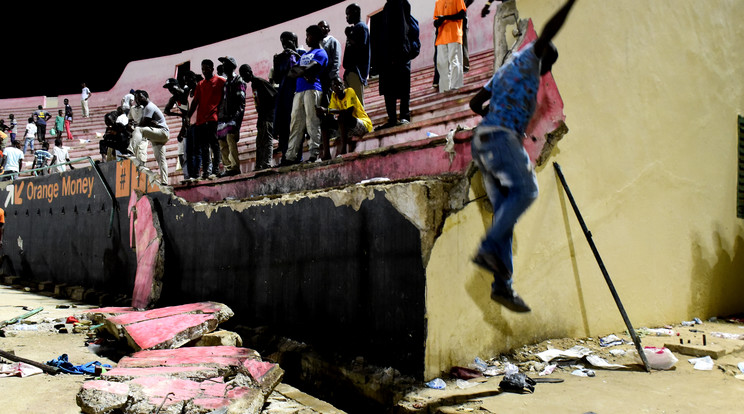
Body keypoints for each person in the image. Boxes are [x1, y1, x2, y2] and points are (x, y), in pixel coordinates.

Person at [468, 0, 577, 313]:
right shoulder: (530, 59)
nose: (546, 73)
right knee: (528, 190)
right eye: (548, 67)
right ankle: (487, 249)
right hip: (501, 140)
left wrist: (499, 111)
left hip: (484, 142)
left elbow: (476, 103)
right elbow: (548, 33)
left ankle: (503, 286)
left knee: (506, 213)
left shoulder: (503, 73)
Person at [282, 25, 329, 165]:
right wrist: (304, 72)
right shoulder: (303, 54)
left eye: (308, 35)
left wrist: (302, 71)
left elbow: (311, 68)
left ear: (315, 36)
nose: (306, 38)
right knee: (295, 123)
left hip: (313, 89)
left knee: (312, 122)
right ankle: (290, 156)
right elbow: (291, 73)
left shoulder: (321, 53)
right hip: (299, 91)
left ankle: (314, 154)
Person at [373, 0, 418, 130]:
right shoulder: (389, 5)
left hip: (399, 55)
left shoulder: (400, 3)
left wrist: (396, 54)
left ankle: (403, 116)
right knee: (389, 89)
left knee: (402, 87)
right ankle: (393, 118)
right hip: (389, 56)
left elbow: (402, 29)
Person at [316, 77, 372, 158]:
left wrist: (326, 110)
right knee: (325, 122)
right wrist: (321, 113)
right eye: (335, 85)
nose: (338, 86)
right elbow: (330, 113)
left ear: (343, 85)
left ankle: (343, 151)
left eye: (340, 84)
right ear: (332, 88)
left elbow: (348, 112)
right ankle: (326, 154)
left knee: (342, 117)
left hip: (362, 125)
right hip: (347, 127)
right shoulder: (334, 96)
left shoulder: (349, 91)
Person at [188, 59, 225, 179]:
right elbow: (195, 102)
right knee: (204, 147)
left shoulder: (220, 81)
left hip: (213, 118)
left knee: (214, 144)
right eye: (202, 68)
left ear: (212, 68)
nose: (204, 70)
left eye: (206, 68)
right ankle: (206, 171)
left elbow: (226, 95)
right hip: (200, 120)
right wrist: (188, 116)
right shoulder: (200, 84)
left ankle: (216, 169)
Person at [272, 31, 304, 164]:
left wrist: (294, 55)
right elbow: (277, 79)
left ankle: (297, 156)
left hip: (297, 92)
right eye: (282, 42)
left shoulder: (302, 54)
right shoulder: (280, 57)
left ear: (294, 40)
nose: (285, 44)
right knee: (285, 128)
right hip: (284, 95)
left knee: (297, 126)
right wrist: (276, 63)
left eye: (287, 41)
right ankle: (286, 155)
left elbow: (302, 70)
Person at [240, 63, 277, 171]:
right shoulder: (254, 84)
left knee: (267, 141)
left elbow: (274, 96)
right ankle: (259, 165)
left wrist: (267, 112)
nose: (243, 78)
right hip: (261, 117)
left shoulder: (260, 82)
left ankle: (267, 163)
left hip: (267, 116)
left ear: (249, 72)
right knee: (259, 142)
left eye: (244, 75)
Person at [129, 90, 170, 184]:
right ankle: (165, 182)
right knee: (161, 159)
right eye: (136, 98)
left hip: (162, 132)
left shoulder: (149, 107)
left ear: (146, 97)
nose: (137, 99)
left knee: (139, 130)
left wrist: (135, 126)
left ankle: (130, 150)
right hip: (158, 135)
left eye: (140, 97)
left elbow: (142, 124)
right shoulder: (145, 108)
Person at [216, 56, 247, 177]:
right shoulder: (226, 82)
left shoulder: (238, 80)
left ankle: (234, 167)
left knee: (230, 139)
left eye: (225, 64)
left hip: (232, 117)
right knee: (222, 142)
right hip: (223, 117)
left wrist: (236, 119)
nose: (223, 66)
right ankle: (228, 167)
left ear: (231, 66)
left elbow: (241, 102)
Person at [434, 0, 467, 93]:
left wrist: (445, 18)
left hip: (454, 35)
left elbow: (462, 14)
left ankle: (456, 86)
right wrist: (438, 22)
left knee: (455, 61)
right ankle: (445, 89)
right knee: (441, 64)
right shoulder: (438, 2)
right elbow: (435, 22)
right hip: (441, 37)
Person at [163, 77, 192, 180]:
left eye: (171, 87)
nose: (170, 90)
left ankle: (194, 174)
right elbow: (166, 111)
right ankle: (187, 176)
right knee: (182, 152)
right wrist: (179, 115)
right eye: (169, 89)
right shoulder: (174, 98)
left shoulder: (187, 90)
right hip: (186, 121)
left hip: (195, 121)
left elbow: (187, 95)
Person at [342, 3, 371, 106]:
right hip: (350, 71)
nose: (346, 17)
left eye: (348, 14)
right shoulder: (353, 29)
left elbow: (361, 47)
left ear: (355, 13)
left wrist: (349, 36)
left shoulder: (361, 27)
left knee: (357, 103)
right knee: (350, 104)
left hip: (356, 71)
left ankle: (362, 122)